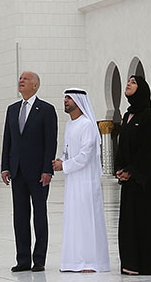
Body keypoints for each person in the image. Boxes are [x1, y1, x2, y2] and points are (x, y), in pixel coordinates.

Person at [114, 76, 151, 275]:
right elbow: (122, 145)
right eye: (128, 81)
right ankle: (130, 263)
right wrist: (120, 169)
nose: (129, 84)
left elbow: (148, 149)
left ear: (142, 89)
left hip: (144, 180)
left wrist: (132, 171)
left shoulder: (148, 115)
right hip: (129, 179)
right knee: (129, 221)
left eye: (133, 82)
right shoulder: (127, 115)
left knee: (144, 221)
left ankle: (147, 263)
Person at [1, 71, 58, 272]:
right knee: (20, 216)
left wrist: (47, 170)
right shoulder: (12, 109)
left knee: (40, 216)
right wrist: (5, 166)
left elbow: (50, 142)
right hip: (17, 172)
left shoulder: (46, 110)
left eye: (25, 79)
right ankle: (23, 259)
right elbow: (7, 140)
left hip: (38, 173)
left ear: (35, 85)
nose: (21, 81)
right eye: (20, 79)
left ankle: (39, 259)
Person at [52, 88, 110, 273]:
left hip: (86, 182)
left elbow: (85, 155)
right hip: (73, 181)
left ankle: (90, 262)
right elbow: (68, 150)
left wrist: (65, 166)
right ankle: (73, 261)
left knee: (87, 220)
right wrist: (61, 160)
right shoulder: (70, 125)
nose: (65, 101)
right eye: (65, 98)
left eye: (69, 98)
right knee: (74, 219)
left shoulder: (87, 125)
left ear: (79, 101)